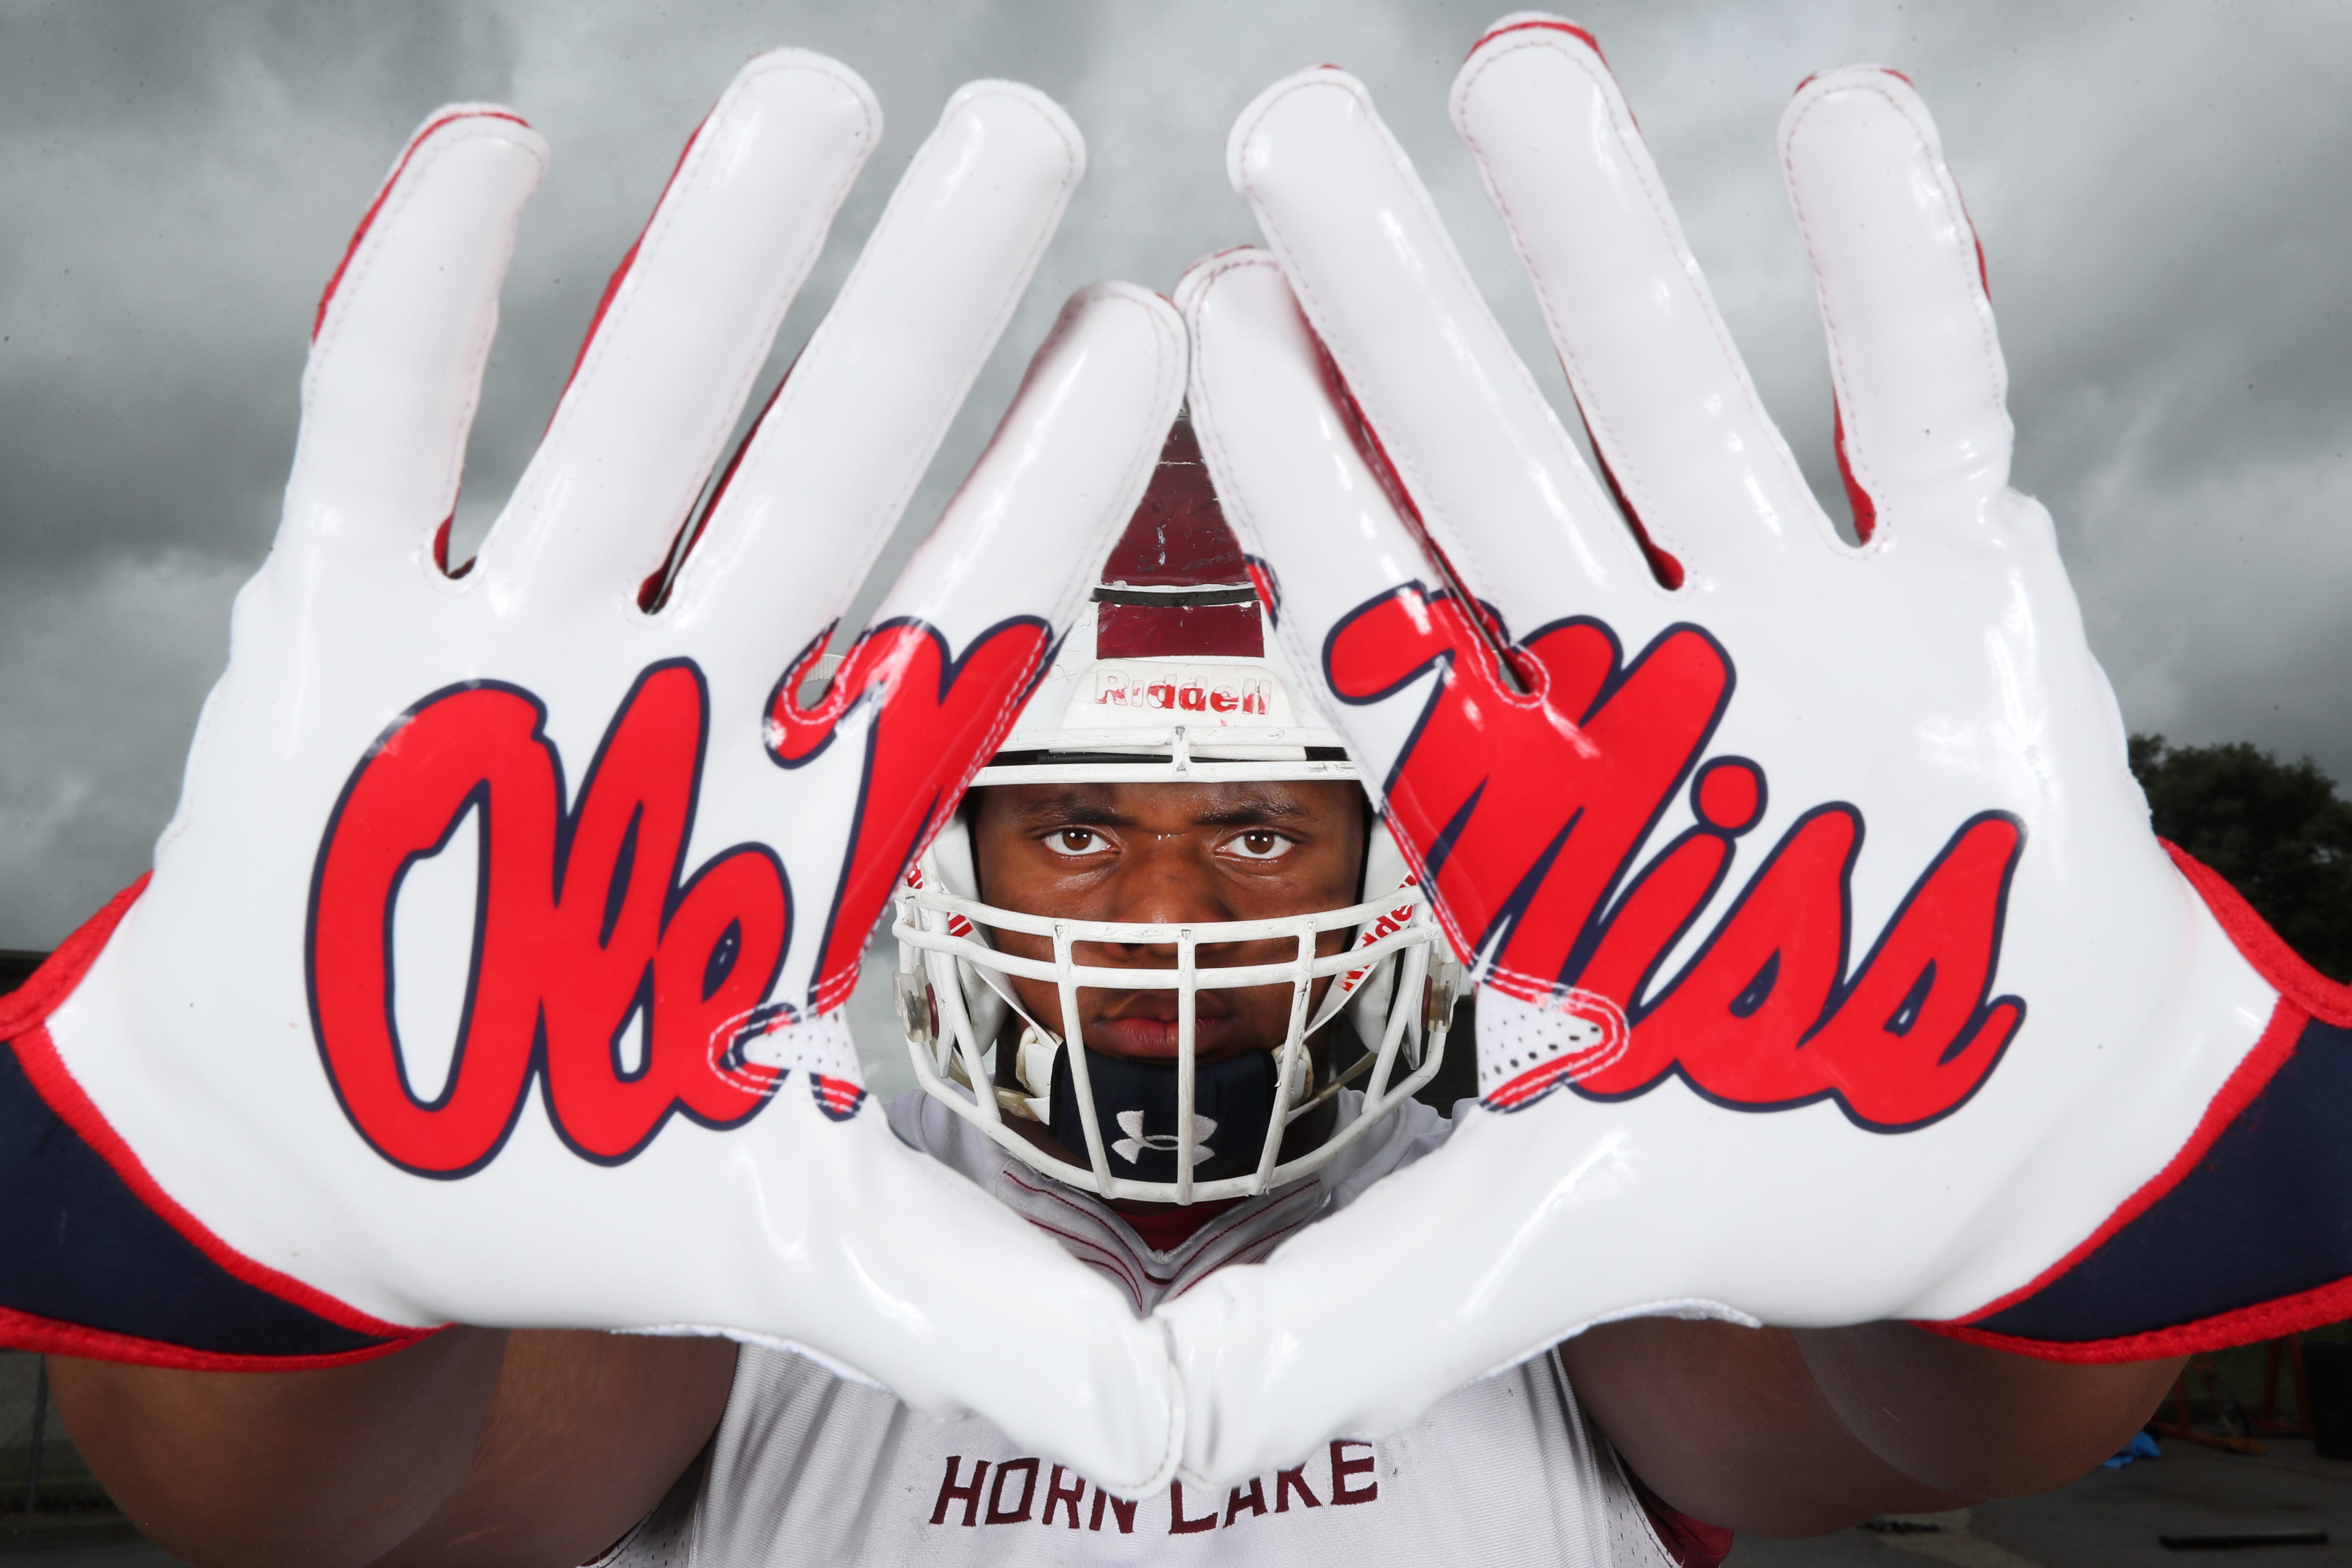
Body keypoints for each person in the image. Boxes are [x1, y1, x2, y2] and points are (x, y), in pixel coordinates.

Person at [48, 424, 2184, 1568]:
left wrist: (2013, 1172)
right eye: (1075, 824)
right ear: (938, 857)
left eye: (1261, 827)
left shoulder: (1575, 1222)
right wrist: (299, 1201)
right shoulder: (722, 1225)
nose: (1166, 898)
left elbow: (1938, 1422)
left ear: (1397, 864)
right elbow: (291, 1509)